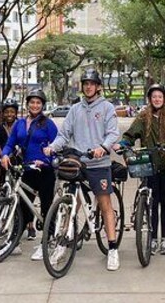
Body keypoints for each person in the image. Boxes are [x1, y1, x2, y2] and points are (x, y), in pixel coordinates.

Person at [45, 69, 121, 271]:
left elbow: (113, 133)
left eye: (92, 83)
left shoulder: (106, 108)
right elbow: (64, 134)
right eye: (85, 83)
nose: (88, 86)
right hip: (77, 162)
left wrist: (103, 148)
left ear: (98, 87)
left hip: (99, 164)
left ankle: (112, 248)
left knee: (105, 204)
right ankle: (62, 244)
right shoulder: (75, 109)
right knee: (71, 205)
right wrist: (53, 147)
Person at [117, 83, 165, 255]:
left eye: (160, 96)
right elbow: (130, 135)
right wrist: (123, 144)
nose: (157, 99)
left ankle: (164, 240)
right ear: (150, 99)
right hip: (149, 165)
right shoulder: (143, 117)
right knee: (152, 202)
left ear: (164, 99)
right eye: (154, 97)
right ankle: (153, 239)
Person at [1, 88, 58, 261]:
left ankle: (46, 242)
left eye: (38, 103)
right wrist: (4, 154)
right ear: (27, 104)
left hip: (45, 171)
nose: (35, 105)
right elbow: (10, 143)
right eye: (32, 102)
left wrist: (47, 160)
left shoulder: (48, 124)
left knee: (47, 206)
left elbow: (57, 147)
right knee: (24, 208)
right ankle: (14, 241)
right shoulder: (19, 123)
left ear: (42, 105)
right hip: (27, 170)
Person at [0, 98, 19, 186]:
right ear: (3, 114)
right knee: (3, 186)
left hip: (18, 160)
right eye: (6, 112)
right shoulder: (0, 128)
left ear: (16, 113)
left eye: (12, 112)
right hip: (4, 161)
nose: (9, 114)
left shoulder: (21, 125)